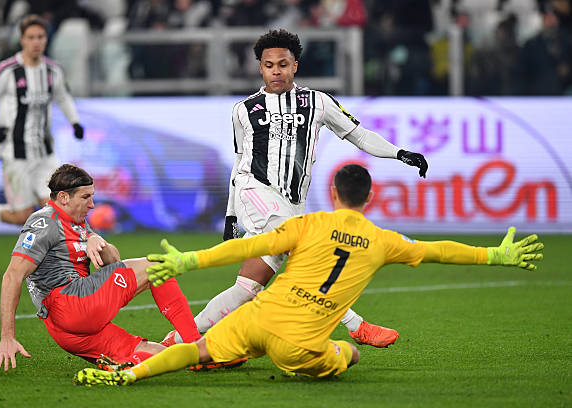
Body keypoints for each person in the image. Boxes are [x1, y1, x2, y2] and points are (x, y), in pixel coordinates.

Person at [72, 164, 543, 385]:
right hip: (298, 345)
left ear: (333, 193)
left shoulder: (308, 223)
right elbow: (438, 251)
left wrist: (189, 261)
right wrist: (494, 256)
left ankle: (132, 376)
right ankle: (336, 344)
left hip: (257, 318)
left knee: (198, 348)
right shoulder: (383, 240)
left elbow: (248, 246)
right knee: (351, 354)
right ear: (369, 199)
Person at [162, 28, 429, 348]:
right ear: (260, 68)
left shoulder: (318, 102)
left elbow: (358, 135)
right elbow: (239, 161)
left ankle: (180, 338)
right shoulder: (244, 109)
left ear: (295, 66)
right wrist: (231, 214)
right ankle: (356, 325)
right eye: (269, 65)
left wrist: (399, 153)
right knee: (304, 249)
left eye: (283, 64)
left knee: (247, 287)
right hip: (254, 190)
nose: (276, 71)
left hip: (291, 203)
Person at [0, 163, 201, 371]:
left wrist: (96, 239)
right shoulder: (44, 222)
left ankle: (130, 365)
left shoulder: (78, 221)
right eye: (86, 197)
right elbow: (12, 276)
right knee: (158, 267)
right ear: (64, 197)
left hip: (68, 331)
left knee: (163, 355)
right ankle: (196, 343)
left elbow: (114, 261)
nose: (92, 204)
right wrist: (7, 337)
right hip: (72, 302)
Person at [0, 14, 85, 243]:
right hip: (15, 154)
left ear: (46, 39)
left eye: (40, 37)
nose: (36, 42)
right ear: (22, 40)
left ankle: (56, 258)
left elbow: (64, 97)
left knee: (58, 209)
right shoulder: (7, 70)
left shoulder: (53, 71)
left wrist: (74, 122)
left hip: (45, 153)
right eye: (31, 37)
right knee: (22, 216)